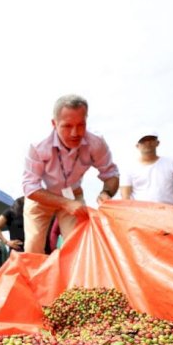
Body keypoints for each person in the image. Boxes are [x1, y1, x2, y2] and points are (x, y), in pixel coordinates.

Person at [21, 94, 119, 253]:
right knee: (33, 246)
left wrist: (106, 193)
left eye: (81, 125)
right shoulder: (38, 146)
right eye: (67, 126)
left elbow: (111, 174)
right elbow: (30, 188)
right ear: (54, 123)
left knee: (80, 245)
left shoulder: (96, 142)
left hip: (73, 195)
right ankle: (34, 277)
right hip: (41, 196)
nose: (75, 133)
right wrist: (65, 203)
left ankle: (76, 277)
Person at [119, 132, 173, 209]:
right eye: (143, 141)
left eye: (151, 139)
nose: (147, 143)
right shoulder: (128, 168)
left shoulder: (171, 162)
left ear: (157, 143)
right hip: (142, 214)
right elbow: (125, 195)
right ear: (137, 146)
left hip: (169, 213)